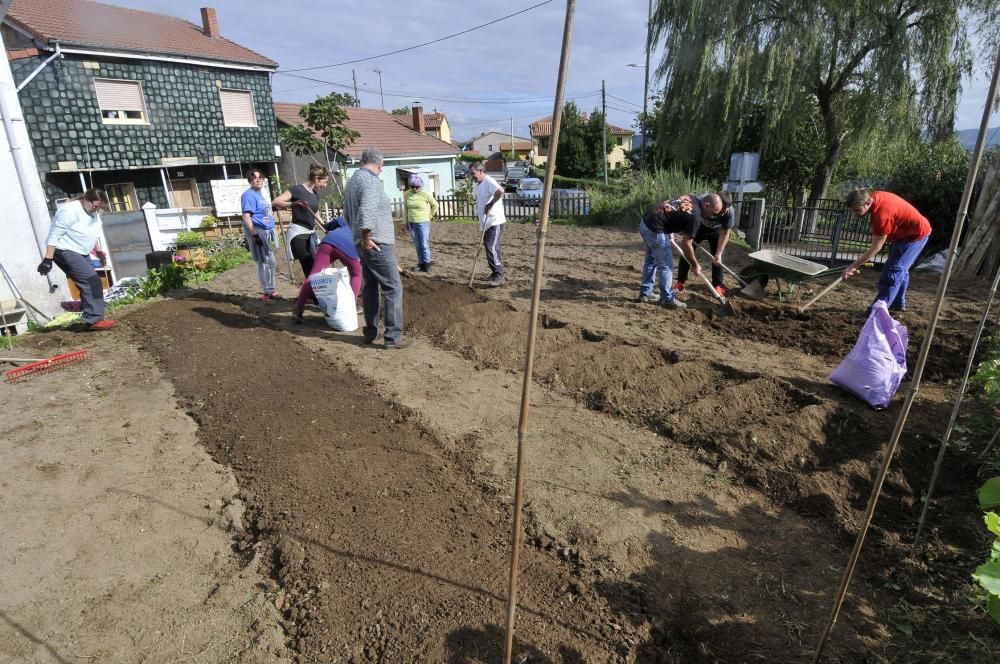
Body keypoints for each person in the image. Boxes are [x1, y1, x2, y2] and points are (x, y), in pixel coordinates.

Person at [343, 147, 416, 350]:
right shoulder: (371, 181)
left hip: (362, 242)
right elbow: (366, 209)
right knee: (393, 287)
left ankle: (370, 332)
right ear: (379, 164)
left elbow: (347, 213)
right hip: (376, 243)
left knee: (370, 287)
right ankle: (393, 338)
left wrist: (359, 237)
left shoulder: (353, 181)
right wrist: (366, 236)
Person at [37, 188, 116, 330]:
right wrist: (48, 259)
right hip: (64, 250)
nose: (97, 210)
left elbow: (91, 232)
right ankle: (93, 320)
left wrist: (98, 251)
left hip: (81, 251)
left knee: (90, 282)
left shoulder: (92, 212)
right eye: (95, 206)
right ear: (87, 199)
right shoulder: (69, 211)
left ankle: (92, 318)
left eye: (99, 207)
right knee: (91, 280)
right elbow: (54, 234)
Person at [843, 188, 932, 312]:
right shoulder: (872, 197)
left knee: (893, 271)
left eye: (857, 210)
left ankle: (878, 310)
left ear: (868, 203)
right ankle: (898, 304)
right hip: (902, 235)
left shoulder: (882, 215)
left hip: (915, 235)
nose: (855, 214)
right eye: (852, 211)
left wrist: (852, 267)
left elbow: (876, 248)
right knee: (901, 269)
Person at [293, 216, 362, 323]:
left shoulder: (347, 217)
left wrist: (327, 226)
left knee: (314, 276)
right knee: (356, 274)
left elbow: (328, 225)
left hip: (328, 242)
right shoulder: (367, 223)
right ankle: (351, 308)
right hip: (349, 246)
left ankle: (298, 309)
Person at [637, 196, 701, 309]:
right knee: (666, 266)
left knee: (651, 261)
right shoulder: (695, 215)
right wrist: (695, 264)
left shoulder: (688, 197)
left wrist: (669, 230)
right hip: (656, 229)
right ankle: (667, 299)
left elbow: (671, 211)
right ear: (707, 205)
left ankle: (645, 293)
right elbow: (686, 244)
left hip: (645, 223)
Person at [271, 164, 330, 279]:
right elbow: (275, 202)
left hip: (310, 234)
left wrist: (326, 228)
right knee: (309, 267)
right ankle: (312, 295)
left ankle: (314, 294)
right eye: (324, 182)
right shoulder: (296, 190)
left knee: (316, 266)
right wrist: (293, 203)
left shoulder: (315, 194)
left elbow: (316, 214)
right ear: (317, 179)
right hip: (298, 234)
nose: (325, 185)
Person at [674, 192, 735, 296]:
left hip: (716, 231)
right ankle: (681, 282)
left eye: (726, 211)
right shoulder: (703, 201)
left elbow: (725, 232)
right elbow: (689, 214)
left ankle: (718, 285)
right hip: (698, 228)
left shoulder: (729, 212)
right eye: (721, 211)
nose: (723, 213)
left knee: (718, 258)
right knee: (687, 252)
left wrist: (719, 253)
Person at [241, 168, 282, 302]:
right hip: (257, 230)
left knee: (267, 261)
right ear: (250, 181)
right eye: (254, 178)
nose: (258, 180)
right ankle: (268, 292)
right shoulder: (249, 195)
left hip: (264, 229)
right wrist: (255, 235)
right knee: (265, 261)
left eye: (260, 177)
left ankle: (270, 290)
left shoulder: (260, 193)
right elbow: (246, 216)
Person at [468, 162, 507, 285]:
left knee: (492, 247)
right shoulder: (479, 185)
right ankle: (495, 273)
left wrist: (491, 204)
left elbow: (500, 191)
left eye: (473, 173)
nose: (472, 176)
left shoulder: (488, 181)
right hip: (487, 223)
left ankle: (499, 274)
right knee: (489, 247)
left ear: (480, 171)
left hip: (495, 221)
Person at [403, 174, 438, 273]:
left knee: (424, 244)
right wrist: (405, 221)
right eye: (412, 187)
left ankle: (427, 265)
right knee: (417, 245)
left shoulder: (425, 194)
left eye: (417, 187)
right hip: (412, 223)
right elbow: (405, 208)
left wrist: (430, 216)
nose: (415, 189)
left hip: (423, 223)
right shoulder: (407, 194)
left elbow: (435, 205)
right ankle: (421, 264)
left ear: (421, 185)